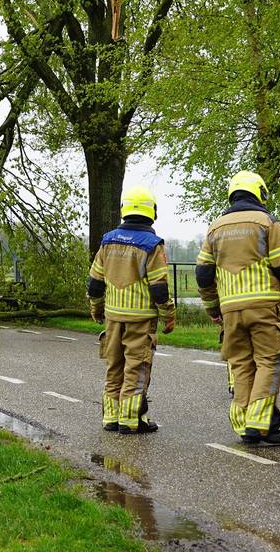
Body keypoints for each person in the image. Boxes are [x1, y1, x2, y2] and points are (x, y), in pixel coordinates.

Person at [196, 171, 280, 445]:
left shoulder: (215, 228)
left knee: (241, 364)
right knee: (270, 359)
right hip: (264, 305)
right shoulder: (267, 222)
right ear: (259, 193)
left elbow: (203, 274)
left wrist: (213, 308)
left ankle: (245, 423)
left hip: (230, 309)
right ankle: (258, 422)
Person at [87, 185, 176, 434]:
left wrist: (96, 308)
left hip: (113, 318)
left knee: (114, 367)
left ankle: (111, 419)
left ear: (125, 210)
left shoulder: (107, 241)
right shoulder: (152, 245)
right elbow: (159, 289)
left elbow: (94, 284)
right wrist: (169, 316)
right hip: (141, 320)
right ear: (152, 213)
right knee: (136, 368)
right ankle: (130, 420)